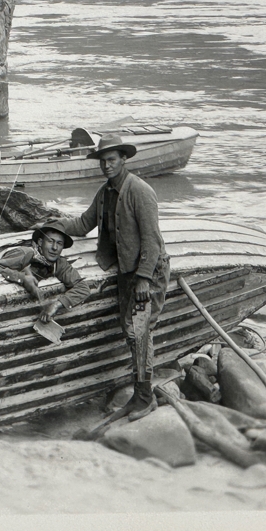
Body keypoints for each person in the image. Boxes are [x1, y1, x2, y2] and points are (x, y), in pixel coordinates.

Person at [40, 135, 170, 421]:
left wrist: (144, 280)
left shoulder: (140, 191)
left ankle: (144, 398)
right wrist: (50, 225)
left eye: (112, 160)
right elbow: (84, 224)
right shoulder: (105, 192)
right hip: (125, 270)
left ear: (124, 160)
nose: (106, 166)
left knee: (140, 331)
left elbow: (152, 241)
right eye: (103, 161)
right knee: (130, 329)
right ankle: (141, 391)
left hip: (148, 272)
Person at [0, 220, 90, 324]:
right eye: (50, 241)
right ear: (41, 242)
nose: (54, 247)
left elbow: (83, 288)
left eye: (59, 243)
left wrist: (56, 304)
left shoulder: (59, 263)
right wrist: (22, 278)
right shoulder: (25, 253)